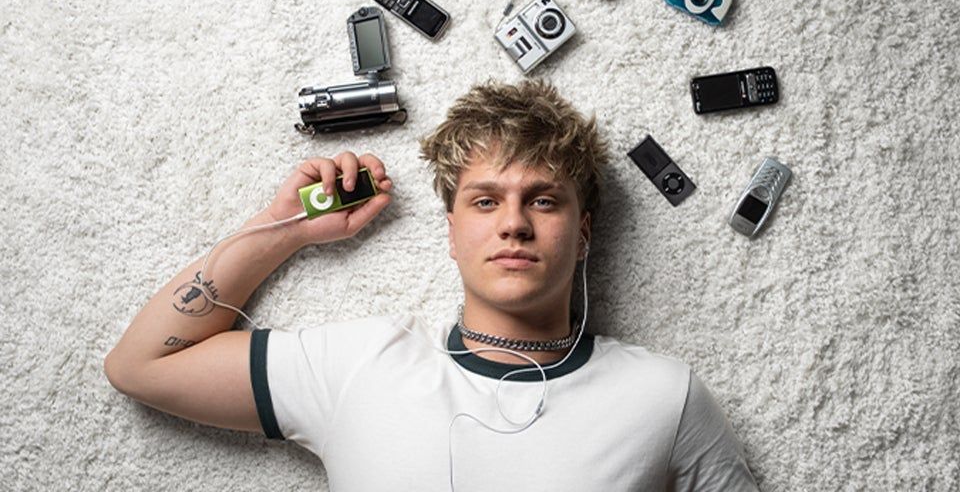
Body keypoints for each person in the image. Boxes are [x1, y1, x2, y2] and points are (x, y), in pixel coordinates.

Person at [105, 80, 758, 491]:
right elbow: (140, 366)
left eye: (542, 200)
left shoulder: (663, 397)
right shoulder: (359, 365)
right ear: (451, 232)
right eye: (485, 201)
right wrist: (284, 229)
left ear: (583, 233)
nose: (513, 224)